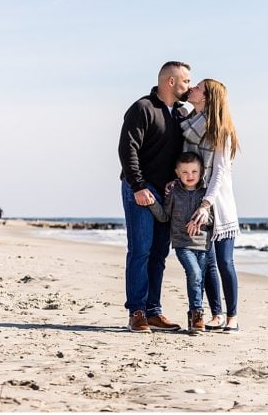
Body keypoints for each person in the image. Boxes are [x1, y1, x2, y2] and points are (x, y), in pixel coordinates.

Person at [117, 61, 192, 333]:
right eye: (185, 81)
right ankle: (136, 312)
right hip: (140, 188)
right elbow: (127, 149)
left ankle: (153, 311)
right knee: (141, 249)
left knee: (159, 253)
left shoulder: (181, 115)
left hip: (166, 192)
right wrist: (138, 186)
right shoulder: (142, 108)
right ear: (170, 81)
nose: (189, 86)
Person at [183, 79, 242, 332]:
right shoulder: (187, 125)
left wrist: (207, 203)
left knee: (225, 262)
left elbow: (219, 173)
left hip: (218, 204)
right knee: (206, 262)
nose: (192, 89)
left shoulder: (221, 131)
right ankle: (216, 315)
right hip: (196, 201)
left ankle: (232, 317)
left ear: (207, 97)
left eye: (198, 87)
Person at [147, 152, 213, 334]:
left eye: (194, 171)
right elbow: (165, 216)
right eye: (185, 172)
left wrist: (198, 221)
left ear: (201, 172)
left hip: (203, 244)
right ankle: (197, 312)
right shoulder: (174, 192)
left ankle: (195, 318)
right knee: (194, 273)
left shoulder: (206, 194)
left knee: (198, 280)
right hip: (182, 244)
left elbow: (212, 219)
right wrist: (152, 203)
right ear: (177, 172)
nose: (190, 175)